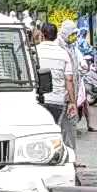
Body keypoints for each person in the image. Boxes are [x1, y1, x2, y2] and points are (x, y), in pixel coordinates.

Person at [32, 22, 79, 152]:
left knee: (42, 131)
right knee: (57, 129)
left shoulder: (34, 52)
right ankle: (58, 155)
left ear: (42, 35)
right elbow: (69, 80)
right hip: (58, 101)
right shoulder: (63, 54)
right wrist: (73, 102)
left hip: (40, 100)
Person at [63, 21, 96, 132]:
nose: (74, 37)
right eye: (72, 34)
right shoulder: (60, 47)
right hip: (66, 82)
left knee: (83, 101)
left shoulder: (73, 47)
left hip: (77, 80)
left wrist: (83, 66)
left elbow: (81, 60)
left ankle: (88, 124)